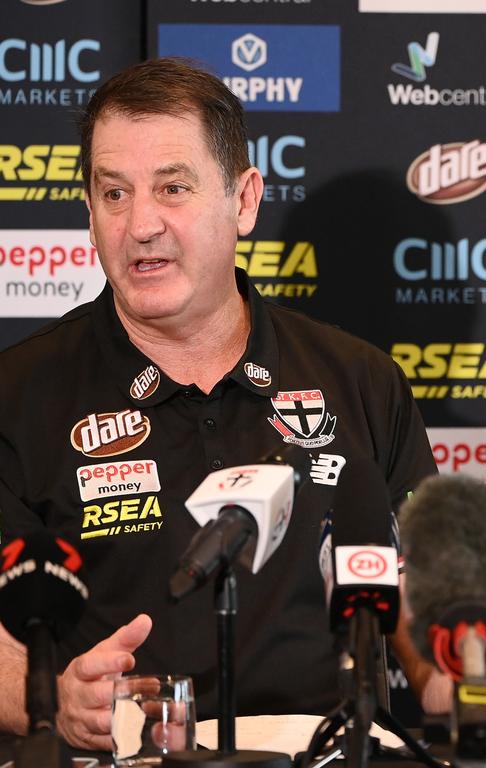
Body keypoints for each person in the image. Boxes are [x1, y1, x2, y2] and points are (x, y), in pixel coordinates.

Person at [0, 57, 446, 751]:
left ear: (243, 201)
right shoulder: (18, 395)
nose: (140, 224)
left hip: (328, 752)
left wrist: (463, 667)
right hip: (125, 758)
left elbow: (416, 603)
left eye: (172, 188)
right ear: (88, 210)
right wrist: (58, 695)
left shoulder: (359, 380)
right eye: (113, 194)